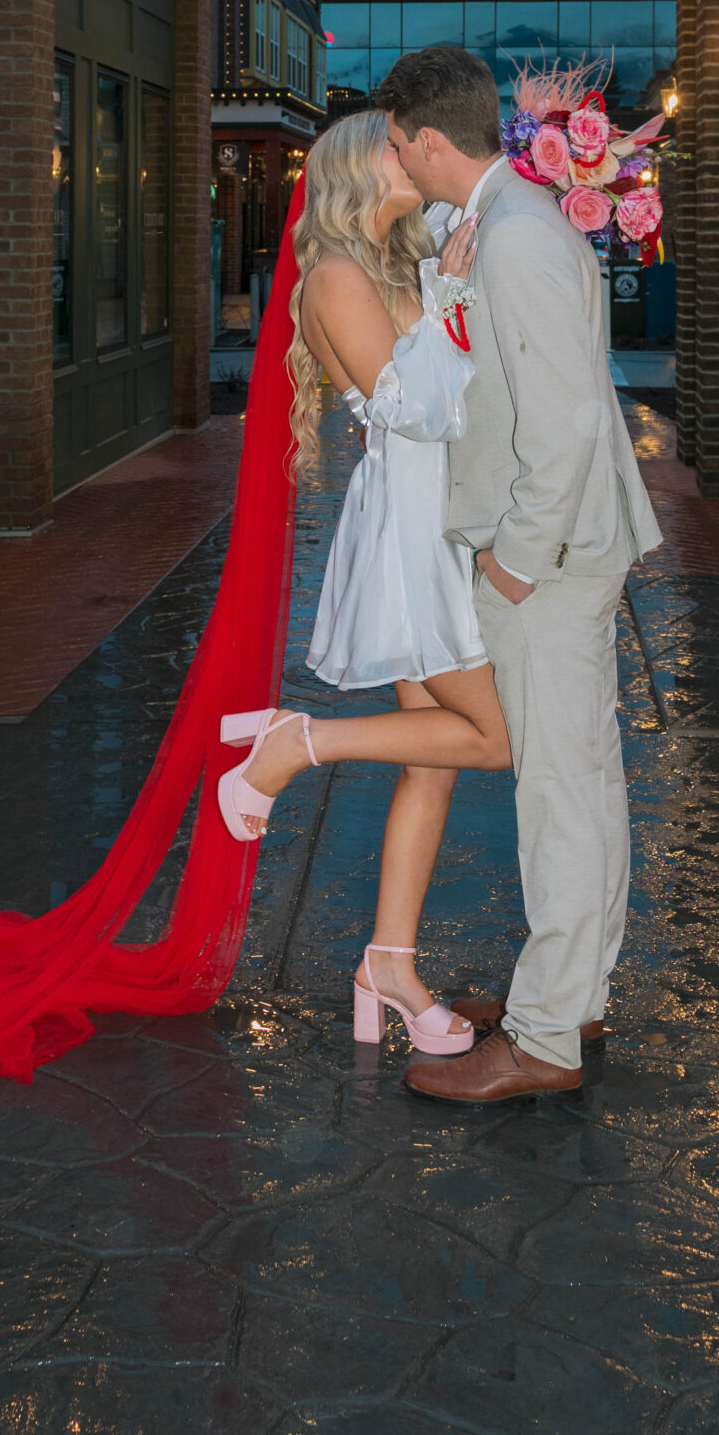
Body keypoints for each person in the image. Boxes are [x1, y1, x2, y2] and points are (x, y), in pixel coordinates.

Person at [382, 41, 661, 1103]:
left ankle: (546, 1037)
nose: (396, 158)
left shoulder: (517, 239)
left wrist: (512, 562)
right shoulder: (502, 228)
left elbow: (574, 420)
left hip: (550, 563)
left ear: (430, 138)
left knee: (559, 794)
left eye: (400, 142)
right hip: (559, 555)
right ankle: (572, 991)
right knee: (578, 782)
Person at [214, 110, 513, 1056]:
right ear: (358, 167)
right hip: (414, 525)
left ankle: (387, 962)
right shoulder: (337, 275)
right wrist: (455, 288)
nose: (415, 151)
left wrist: (452, 285)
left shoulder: (394, 266)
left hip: (441, 514)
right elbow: (412, 410)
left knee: (435, 756)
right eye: (397, 144)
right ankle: (297, 743)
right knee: (494, 740)